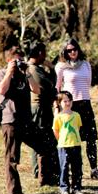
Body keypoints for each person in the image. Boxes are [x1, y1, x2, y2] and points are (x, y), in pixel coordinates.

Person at [0, 44, 58, 194]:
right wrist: (9, 71)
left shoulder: (24, 73)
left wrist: (27, 72)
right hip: (10, 121)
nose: (19, 62)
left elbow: (36, 90)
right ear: (8, 60)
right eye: (16, 60)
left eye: (21, 59)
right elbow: (1, 90)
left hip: (27, 120)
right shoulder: (0, 73)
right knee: (12, 157)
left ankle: (46, 180)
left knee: (46, 145)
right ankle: (14, 191)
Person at [55, 38, 98, 180]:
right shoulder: (61, 67)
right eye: (69, 50)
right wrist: (57, 107)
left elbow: (87, 83)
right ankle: (71, 170)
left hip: (85, 104)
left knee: (91, 139)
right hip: (70, 105)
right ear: (65, 52)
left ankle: (94, 169)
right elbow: (58, 88)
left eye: (74, 49)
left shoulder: (86, 65)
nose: (72, 52)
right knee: (70, 139)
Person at [26, 41, 58, 180]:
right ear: (39, 53)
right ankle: (38, 171)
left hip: (43, 108)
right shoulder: (33, 69)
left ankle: (44, 170)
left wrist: (51, 68)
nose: (45, 56)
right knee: (39, 140)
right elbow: (49, 87)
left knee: (45, 140)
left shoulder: (36, 68)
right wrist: (52, 69)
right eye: (44, 52)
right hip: (39, 109)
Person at [53, 91, 83, 194]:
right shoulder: (58, 117)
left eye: (69, 100)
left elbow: (78, 128)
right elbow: (55, 130)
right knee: (64, 167)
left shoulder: (77, 115)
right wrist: (60, 140)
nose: (67, 103)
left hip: (76, 144)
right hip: (63, 146)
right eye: (65, 101)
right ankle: (64, 187)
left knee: (77, 167)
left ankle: (77, 187)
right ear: (59, 103)